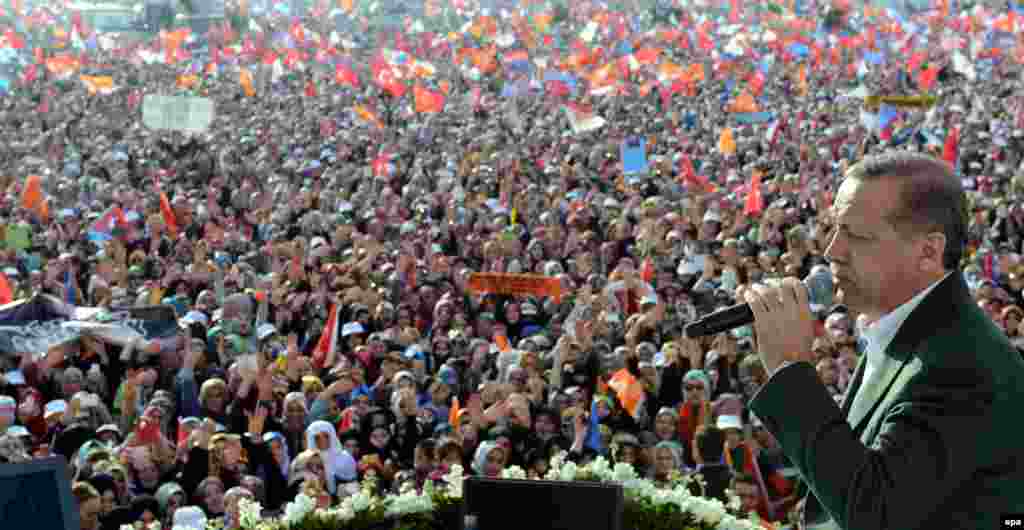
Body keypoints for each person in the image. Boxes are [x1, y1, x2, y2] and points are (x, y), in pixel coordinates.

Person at [743, 152, 1024, 530]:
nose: (832, 252)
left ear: (928, 251)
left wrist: (791, 373)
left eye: (856, 236)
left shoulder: (960, 365)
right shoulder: (907, 330)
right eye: (835, 230)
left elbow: (875, 513)